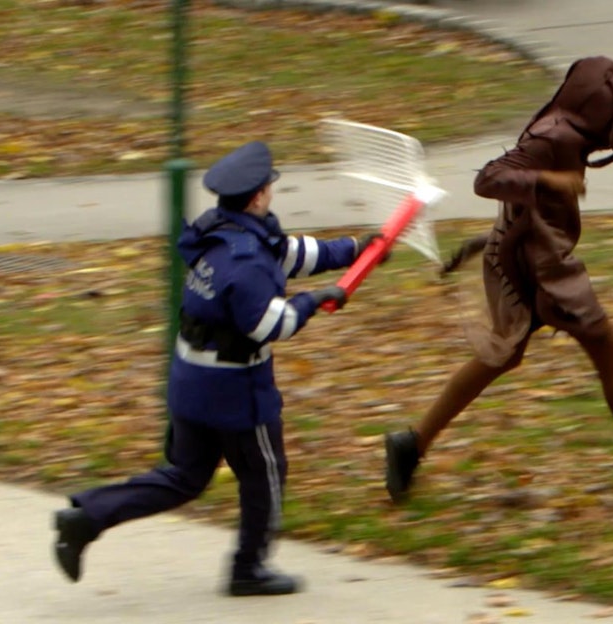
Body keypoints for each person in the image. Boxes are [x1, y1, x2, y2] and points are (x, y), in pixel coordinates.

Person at [53, 140, 379, 596]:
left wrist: (356, 250)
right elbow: (271, 324)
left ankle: (87, 517)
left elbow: (290, 253)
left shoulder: (222, 233)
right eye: (269, 188)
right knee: (265, 474)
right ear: (258, 196)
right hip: (235, 391)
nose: (271, 194)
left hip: (191, 382)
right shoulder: (246, 262)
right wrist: (316, 300)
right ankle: (249, 568)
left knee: (184, 477)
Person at [384, 56, 613, 504]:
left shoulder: (572, 123)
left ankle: (412, 444)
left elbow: (600, 132)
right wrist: (550, 180)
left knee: (502, 357)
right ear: (594, 107)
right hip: (541, 267)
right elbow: (488, 179)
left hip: (530, 258)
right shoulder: (549, 138)